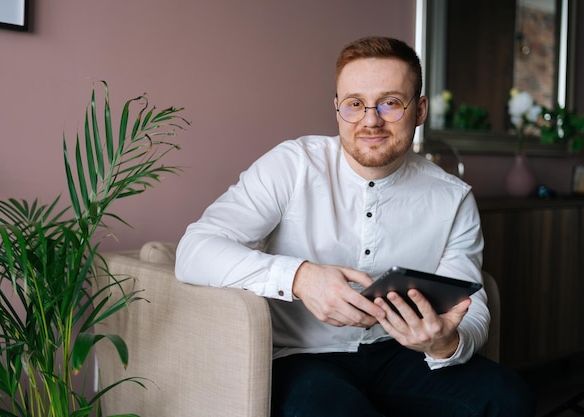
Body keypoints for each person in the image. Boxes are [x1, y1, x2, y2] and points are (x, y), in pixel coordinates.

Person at [175, 36, 535, 417]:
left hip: (404, 355)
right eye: (355, 104)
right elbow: (194, 250)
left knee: (507, 397)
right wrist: (300, 277)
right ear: (337, 108)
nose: (370, 120)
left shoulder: (454, 197)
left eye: (391, 103)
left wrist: (445, 343)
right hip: (302, 358)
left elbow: (469, 302)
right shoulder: (291, 166)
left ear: (420, 109)